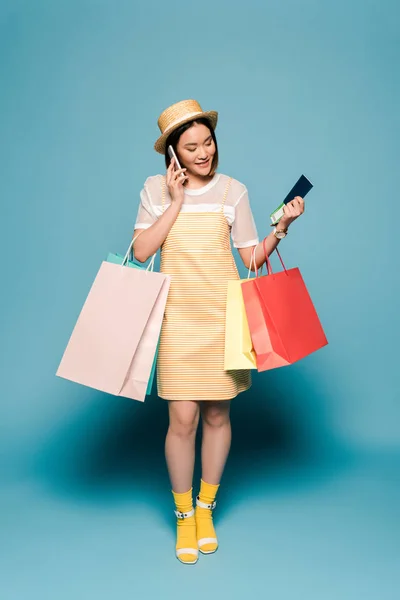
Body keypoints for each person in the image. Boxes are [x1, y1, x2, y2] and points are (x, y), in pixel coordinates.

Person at [133, 99, 304, 565]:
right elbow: (143, 249)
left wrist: (283, 226)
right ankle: (183, 514)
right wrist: (176, 202)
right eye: (191, 147)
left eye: (207, 141)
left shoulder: (233, 190)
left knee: (216, 417)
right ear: (173, 153)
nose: (204, 152)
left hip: (222, 317)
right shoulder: (154, 188)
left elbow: (249, 259)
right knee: (182, 420)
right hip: (177, 319)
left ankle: (206, 509)